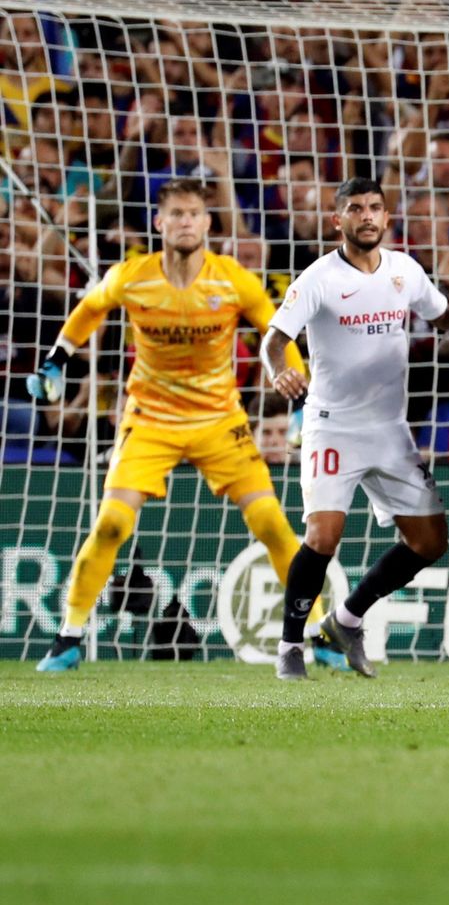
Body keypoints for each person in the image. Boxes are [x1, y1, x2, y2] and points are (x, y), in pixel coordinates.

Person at [26, 179, 332, 673]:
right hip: (150, 418)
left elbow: (277, 332)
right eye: (177, 214)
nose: (186, 221)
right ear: (159, 222)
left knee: (272, 523)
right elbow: (90, 308)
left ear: (208, 223)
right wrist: (57, 359)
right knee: (111, 526)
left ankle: (318, 632)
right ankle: (68, 636)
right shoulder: (133, 276)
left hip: (220, 420)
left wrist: (297, 394)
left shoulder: (233, 279)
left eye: (194, 213)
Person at [263, 177, 449, 681]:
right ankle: (290, 648)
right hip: (333, 426)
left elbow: (447, 321)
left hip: (390, 430)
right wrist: (278, 370)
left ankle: (345, 620)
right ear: (339, 220)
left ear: (387, 216)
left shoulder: (405, 271)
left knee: (430, 541)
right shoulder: (318, 278)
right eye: (356, 209)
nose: (368, 217)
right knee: (323, 534)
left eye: (375, 208)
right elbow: (274, 340)